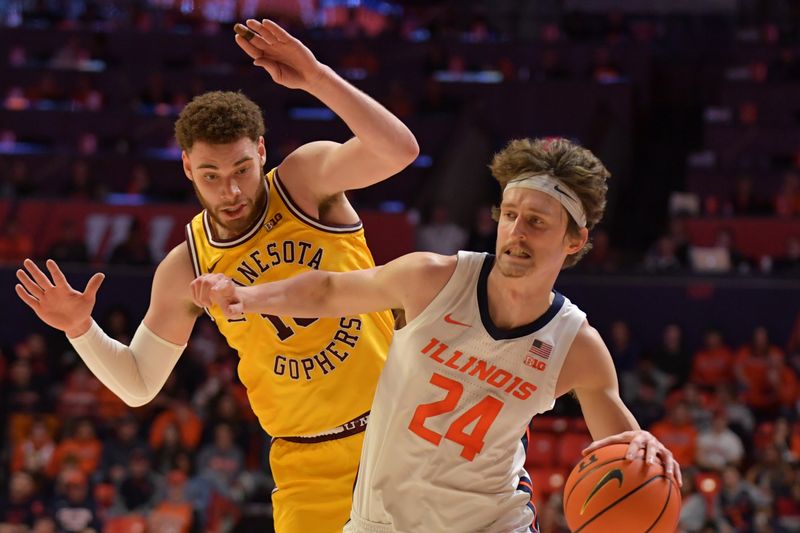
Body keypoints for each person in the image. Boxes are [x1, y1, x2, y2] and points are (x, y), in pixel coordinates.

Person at [14, 18, 418, 533]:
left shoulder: (304, 181)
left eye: (241, 171)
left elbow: (399, 151)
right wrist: (80, 329)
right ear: (186, 167)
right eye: (211, 176)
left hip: (400, 428)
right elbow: (139, 384)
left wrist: (316, 77)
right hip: (307, 463)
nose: (230, 191)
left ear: (262, 152)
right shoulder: (187, 264)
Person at [192, 137, 682, 532]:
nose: (516, 232)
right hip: (382, 522)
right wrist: (247, 296)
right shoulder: (434, 279)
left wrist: (647, 452)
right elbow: (325, 291)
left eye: (536, 222)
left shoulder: (576, 346)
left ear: (574, 241)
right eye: (510, 215)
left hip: (493, 523)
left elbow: (621, 442)